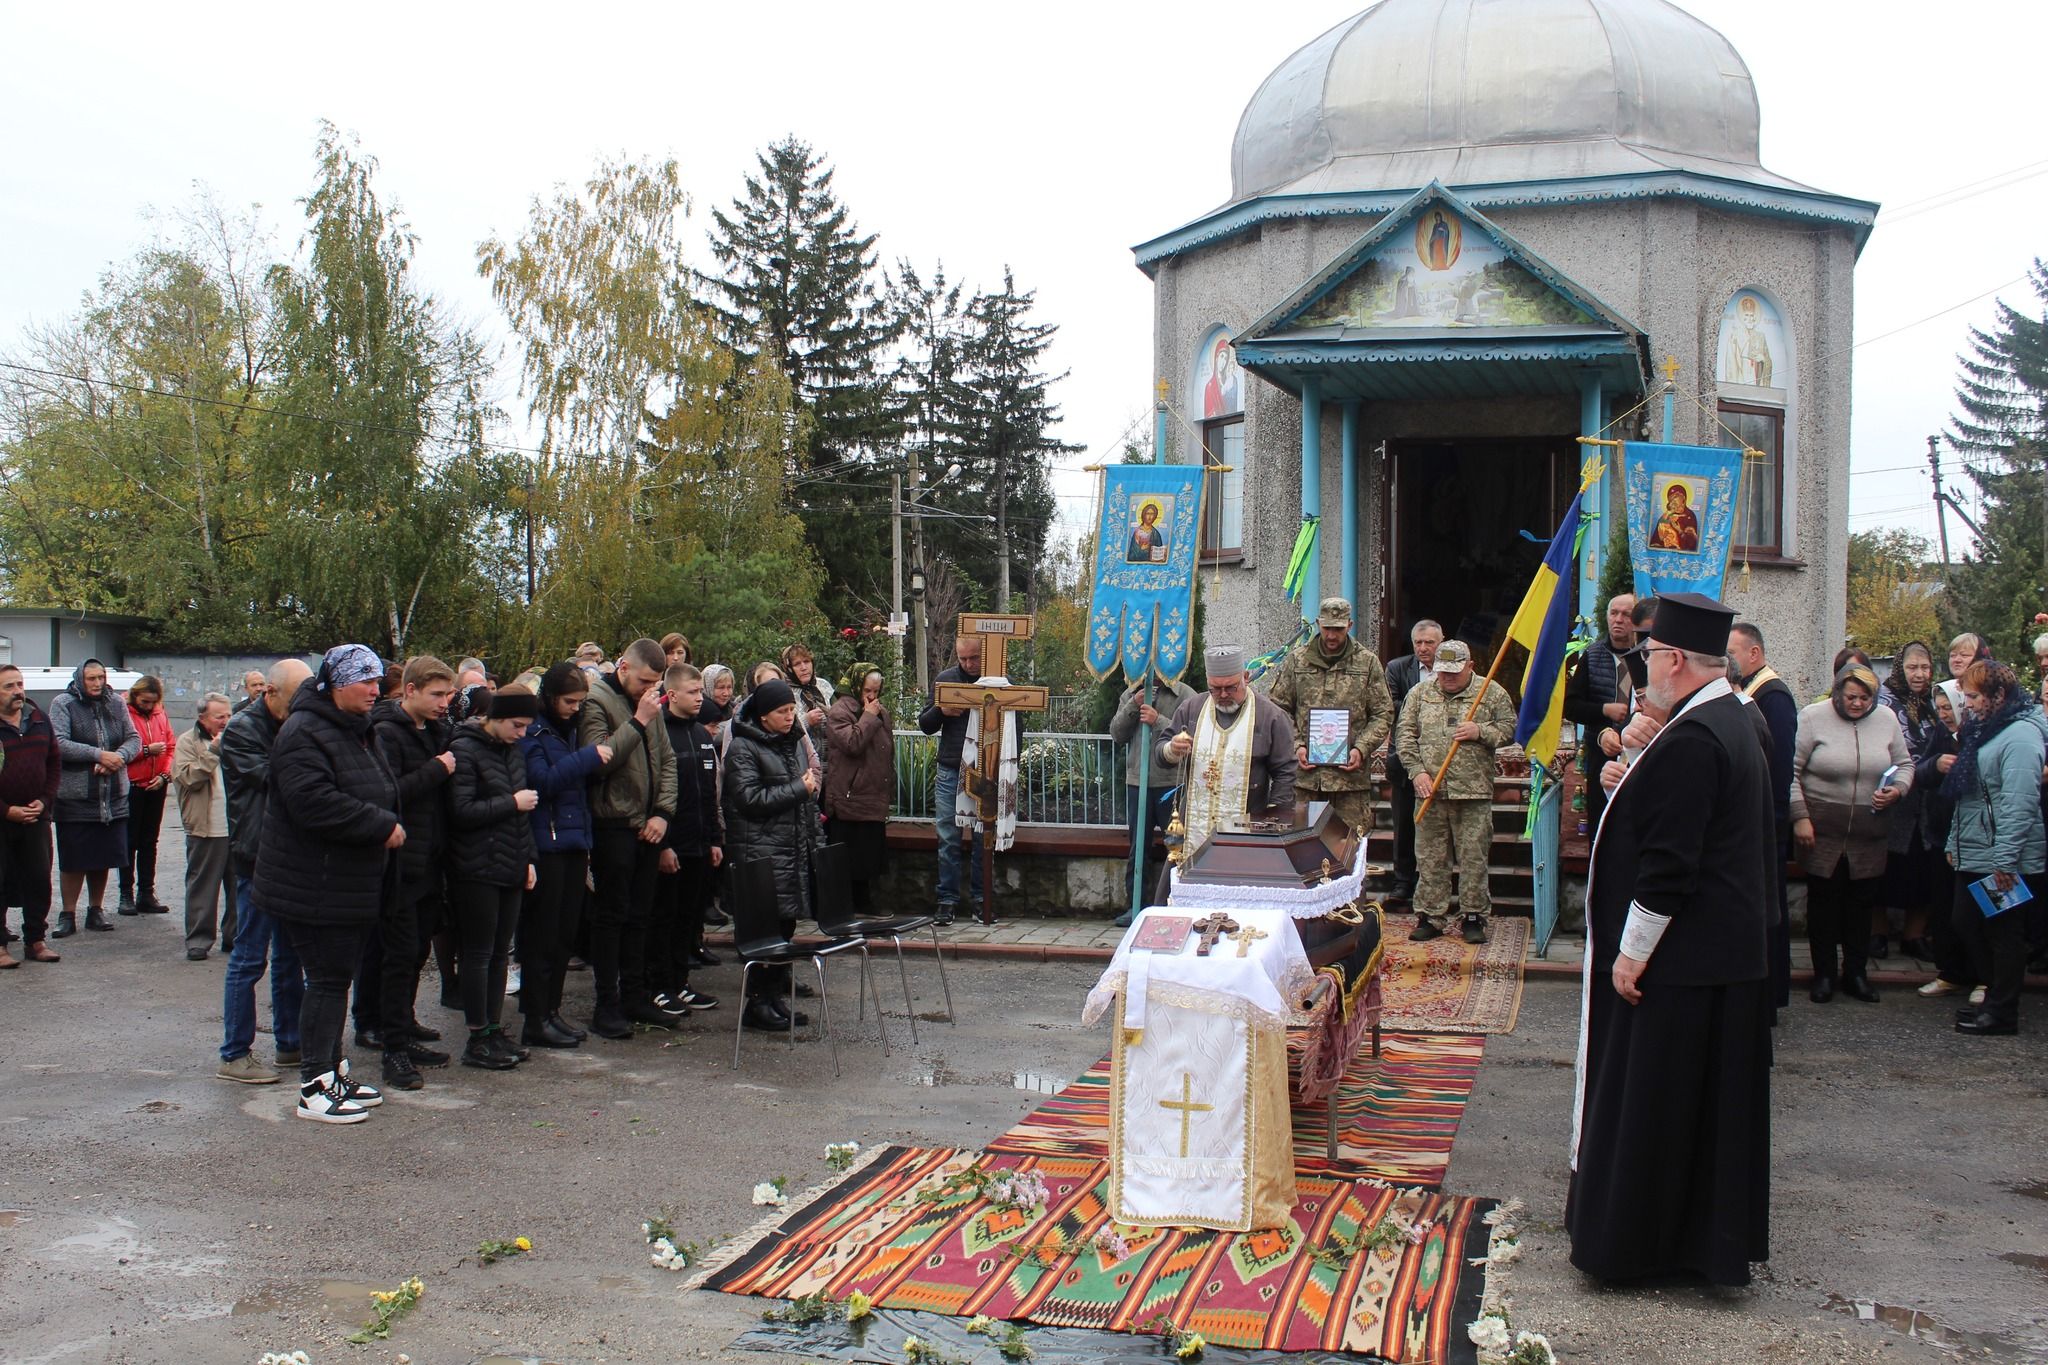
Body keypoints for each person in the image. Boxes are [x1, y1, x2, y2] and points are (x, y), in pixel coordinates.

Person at [1567, 592, 1773, 1287]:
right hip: (1714, 957)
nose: (1645, 666)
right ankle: (1694, 1244)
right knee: (1696, 1114)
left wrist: (1631, 953)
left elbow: (1671, 864)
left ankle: (1632, 1247)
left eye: (1652, 654)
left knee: (1655, 1108)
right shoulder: (1722, 718)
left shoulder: (1694, 737)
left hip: (1680, 963)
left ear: (1676, 659)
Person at [256, 645, 399, 1125]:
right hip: (312, 883)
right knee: (325, 981)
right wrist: (380, 824)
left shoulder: (357, 729)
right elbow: (313, 803)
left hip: (346, 881)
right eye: (365, 681)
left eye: (378, 681)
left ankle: (333, 1071)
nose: (375, 690)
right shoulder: (303, 732)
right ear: (336, 684)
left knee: (336, 980)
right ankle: (314, 1086)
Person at [361, 655, 459, 1091]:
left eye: (449, 694)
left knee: (416, 952)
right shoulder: (386, 732)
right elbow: (387, 791)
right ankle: (393, 1048)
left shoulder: (437, 729)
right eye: (437, 694)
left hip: (431, 861)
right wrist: (436, 770)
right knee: (398, 956)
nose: (444, 703)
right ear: (411, 690)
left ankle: (400, 1023)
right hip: (400, 864)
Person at [215, 658, 312, 1086]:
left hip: (291, 855)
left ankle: (291, 1043)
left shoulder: (289, 723)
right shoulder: (241, 729)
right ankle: (235, 1054)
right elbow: (280, 779)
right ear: (269, 692)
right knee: (249, 958)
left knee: (291, 956)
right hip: (256, 857)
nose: (301, 709)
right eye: (295, 699)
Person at [1790, 663, 1911, 1004]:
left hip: (1869, 833)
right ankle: (1824, 974)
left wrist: (1898, 790)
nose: (1857, 704)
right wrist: (1799, 817)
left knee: (1861, 908)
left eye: (1864, 698)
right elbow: (1790, 771)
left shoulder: (1886, 719)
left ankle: (1856, 974)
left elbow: (1905, 764)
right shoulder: (1813, 717)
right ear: (1838, 692)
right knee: (1824, 907)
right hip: (1821, 832)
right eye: (1851, 697)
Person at [581, 637, 678, 1039]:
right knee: (612, 917)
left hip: (648, 826)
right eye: (643, 680)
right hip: (614, 823)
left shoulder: (649, 703)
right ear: (622, 667)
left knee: (641, 916)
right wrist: (638, 719)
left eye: (655, 682)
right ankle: (606, 1004)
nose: (648, 689)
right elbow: (598, 760)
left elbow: (668, 762)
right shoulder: (596, 702)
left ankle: (636, 997)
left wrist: (662, 814)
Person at [1943, 660, 2046, 1037]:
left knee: (2004, 934)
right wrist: (1955, 842)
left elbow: (2019, 804)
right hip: (1976, 850)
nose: (1966, 704)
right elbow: (1967, 796)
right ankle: (1994, 1001)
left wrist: (2006, 861)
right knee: (1965, 922)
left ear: (1997, 696)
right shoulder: (1986, 729)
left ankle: (2003, 1010)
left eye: (1972, 696)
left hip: (2001, 857)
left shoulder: (2020, 736)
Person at [1396, 639, 1515, 944]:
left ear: (1470, 666)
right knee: (1430, 857)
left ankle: (1473, 915)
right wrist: (1416, 771)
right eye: (1442, 671)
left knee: (1473, 856)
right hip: (1430, 791)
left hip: (1472, 791)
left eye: (1454, 672)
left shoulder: (1490, 692)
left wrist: (1481, 732)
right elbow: (1405, 736)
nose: (1447, 677)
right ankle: (1430, 915)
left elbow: (1510, 729)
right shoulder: (1420, 694)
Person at [518, 662, 612, 1047]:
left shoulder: (571, 731)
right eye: (569, 701)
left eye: (580, 702)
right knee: (542, 935)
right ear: (551, 697)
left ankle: (551, 1011)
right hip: (547, 842)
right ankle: (535, 1017)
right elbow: (542, 782)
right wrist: (588, 758)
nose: (575, 708)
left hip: (575, 840)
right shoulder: (534, 732)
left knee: (564, 934)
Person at [448, 685, 541, 1070]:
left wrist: (529, 859)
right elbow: (461, 811)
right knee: (479, 953)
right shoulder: (466, 749)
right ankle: (477, 1033)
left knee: (502, 952)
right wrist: (511, 803)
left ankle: (494, 1028)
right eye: (517, 725)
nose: (522, 733)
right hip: (476, 867)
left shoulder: (513, 751)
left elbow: (523, 817)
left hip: (511, 863)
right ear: (497, 718)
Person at [724, 676, 819, 1033]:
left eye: (793, 710)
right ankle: (757, 1003)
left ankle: (774, 998)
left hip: (787, 850)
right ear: (763, 716)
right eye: (782, 711)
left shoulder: (787, 742)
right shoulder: (743, 748)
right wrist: (799, 789)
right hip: (760, 851)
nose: (790, 717)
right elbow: (748, 800)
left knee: (784, 927)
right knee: (764, 931)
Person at [1267, 596, 1395, 843]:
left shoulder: (1367, 662)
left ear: (1350, 624)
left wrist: (1361, 748)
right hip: (1306, 781)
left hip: (1350, 783)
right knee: (1303, 847)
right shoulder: (1297, 660)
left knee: (1348, 849)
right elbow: (1278, 708)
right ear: (1317, 624)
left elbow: (1383, 713)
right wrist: (1297, 746)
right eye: (1327, 628)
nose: (1332, 635)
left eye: (1338, 629)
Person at [1156, 646, 1298, 863]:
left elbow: (1286, 772)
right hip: (1194, 829)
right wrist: (1171, 749)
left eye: (1231, 688)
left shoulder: (1271, 716)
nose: (1223, 695)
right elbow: (1161, 751)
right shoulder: (1191, 709)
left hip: (1249, 831)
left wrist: (1272, 820)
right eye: (1215, 689)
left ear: (1246, 678)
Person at [1729, 622, 1798, 1014]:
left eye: (1733, 653)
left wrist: (1770, 817)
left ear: (1754, 654)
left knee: (1769, 908)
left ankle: (1772, 992)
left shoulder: (1773, 696)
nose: (1729, 661)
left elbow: (1778, 764)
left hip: (1767, 819)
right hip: (1758, 818)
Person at [47, 659, 141, 938]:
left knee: (103, 856)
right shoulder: (63, 703)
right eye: (91, 679)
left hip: (112, 795)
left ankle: (96, 910)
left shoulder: (116, 703)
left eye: (101, 677)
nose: (98, 683)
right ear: (80, 679)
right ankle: (68, 913)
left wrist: (118, 758)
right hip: (76, 796)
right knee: (74, 857)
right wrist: (98, 755)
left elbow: (132, 739)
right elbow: (59, 743)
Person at [655, 662, 721, 1012]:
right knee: (664, 917)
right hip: (671, 844)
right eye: (693, 693)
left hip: (699, 843)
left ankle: (681, 983)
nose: (700, 699)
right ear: (673, 694)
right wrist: (663, 846)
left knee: (689, 919)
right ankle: (660, 984)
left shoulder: (700, 735)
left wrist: (713, 839)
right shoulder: (658, 732)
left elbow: (708, 792)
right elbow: (655, 792)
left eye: (701, 692)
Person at [1106, 668, 1196, 926]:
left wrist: (1158, 719)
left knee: (1178, 846)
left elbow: (1192, 736)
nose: (1152, 670)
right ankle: (1135, 906)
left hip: (1172, 784)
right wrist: (1134, 706)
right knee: (1138, 848)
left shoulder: (1185, 694)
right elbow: (1117, 734)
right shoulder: (1131, 694)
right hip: (1138, 783)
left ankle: (1177, 903)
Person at [1877, 642, 1945, 963]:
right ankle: (1877, 934)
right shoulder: (1884, 701)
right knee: (1887, 869)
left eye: (1925, 668)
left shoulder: (1935, 702)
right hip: (1894, 799)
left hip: (1928, 802)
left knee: (1923, 870)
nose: (1919, 674)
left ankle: (1913, 936)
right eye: (1912, 667)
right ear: (1900, 668)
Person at [918, 633, 985, 924]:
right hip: (950, 767)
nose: (968, 664)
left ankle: (982, 899)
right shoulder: (945, 679)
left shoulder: (998, 681)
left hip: (986, 768)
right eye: (963, 658)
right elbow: (925, 725)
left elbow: (1016, 725)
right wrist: (941, 711)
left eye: (974, 658)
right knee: (948, 837)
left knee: (984, 837)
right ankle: (947, 899)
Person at [0, 664, 62, 967]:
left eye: (20, 684)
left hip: (36, 815)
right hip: (3, 816)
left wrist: (44, 800)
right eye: (9, 686)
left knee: (38, 879)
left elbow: (54, 763)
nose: (18, 691)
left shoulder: (40, 720)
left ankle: (36, 940)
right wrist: (6, 810)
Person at [823, 663, 895, 917]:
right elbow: (851, 743)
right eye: (867, 690)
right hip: (849, 795)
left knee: (868, 855)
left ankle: (865, 903)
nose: (872, 696)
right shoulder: (840, 711)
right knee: (850, 856)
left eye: (876, 690)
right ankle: (848, 906)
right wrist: (867, 717)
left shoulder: (878, 711)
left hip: (872, 792)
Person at [1382, 619, 1445, 903]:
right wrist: (1425, 706)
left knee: (1439, 828)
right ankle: (1403, 881)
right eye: (1418, 643)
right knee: (1404, 824)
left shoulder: (1451, 668)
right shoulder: (1397, 668)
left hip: (1442, 760)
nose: (1423, 648)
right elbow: (1389, 705)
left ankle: (1434, 883)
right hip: (1406, 759)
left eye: (1429, 643)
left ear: (1440, 643)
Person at [171, 693, 236, 961]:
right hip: (206, 826)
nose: (225, 721)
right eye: (219, 716)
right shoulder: (188, 741)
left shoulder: (239, 738)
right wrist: (213, 751)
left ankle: (235, 937)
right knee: (203, 886)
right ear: (202, 718)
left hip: (238, 825)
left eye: (228, 715)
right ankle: (198, 939)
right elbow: (187, 778)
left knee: (239, 887)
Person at [1563, 594, 1636, 832]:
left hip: (1639, 751)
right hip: (1601, 750)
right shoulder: (1593, 656)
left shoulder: (1649, 657)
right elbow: (1571, 706)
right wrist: (1604, 710)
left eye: (1626, 614)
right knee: (1602, 823)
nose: (1619, 619)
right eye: (1614, 613)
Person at [782, 644, 834, 769]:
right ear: (788, 668)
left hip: (832, 761)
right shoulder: (784, 691)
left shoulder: (823, 685)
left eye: (807, 661)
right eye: (797, 664)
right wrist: (806, 721)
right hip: (801, 763)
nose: (804, 668)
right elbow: (780, 729)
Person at [1649, 482, 1701, 552]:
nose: (1675, 505)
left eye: (1677, 501)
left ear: (1684, 499)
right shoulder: (1665, 517)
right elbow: (1656, 541)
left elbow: (1692, 543)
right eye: (1672, 501)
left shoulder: (1690, 516)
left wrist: (1679, 530)